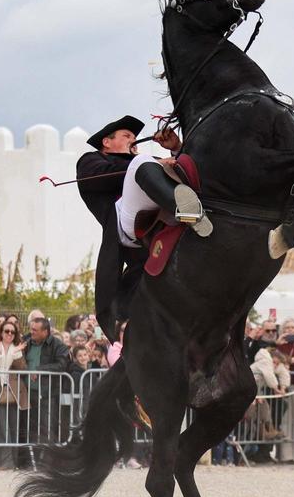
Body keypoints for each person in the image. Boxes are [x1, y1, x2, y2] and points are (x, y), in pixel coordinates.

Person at [76, 116, 209, 338]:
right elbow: (100, 178)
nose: (133, 140)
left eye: (134, 136)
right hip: (126, 223)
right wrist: (155, 164)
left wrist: (176, 149)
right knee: (141, 163)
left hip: (157, 221)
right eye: (127, 135)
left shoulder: (146, 161)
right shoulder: (91, 160)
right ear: (106, 142)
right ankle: (188, 212)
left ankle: (189, 214)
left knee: (163, 167)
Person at [0, 320, 28, 471]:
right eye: (6, 331)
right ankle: (5, 462)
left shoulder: (17, 348)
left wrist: (16, 353)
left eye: (12, 332)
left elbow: (22, 368)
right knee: (2, 429)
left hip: (14, 393)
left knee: (14, 429)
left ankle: (13, 463)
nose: (9, 334)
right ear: (1, 332)